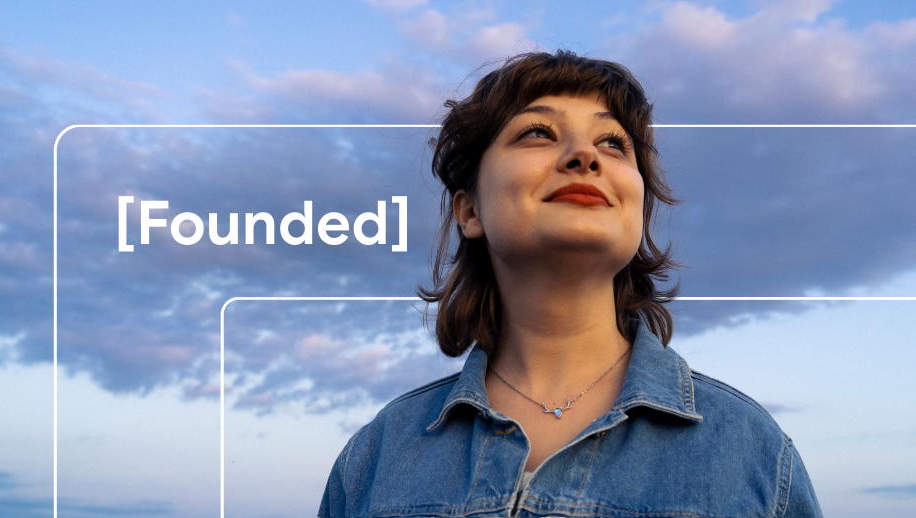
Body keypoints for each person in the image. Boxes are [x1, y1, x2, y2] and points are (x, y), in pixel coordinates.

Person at [319, 50, 822, 518]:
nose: (585, 155)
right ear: (469, 210)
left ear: (637, 209)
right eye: (538, 133)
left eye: (613, 143)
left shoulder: (754, 455)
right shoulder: (376, 457)